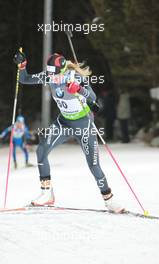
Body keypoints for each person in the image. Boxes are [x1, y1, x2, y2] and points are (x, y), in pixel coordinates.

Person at [13, 51, 124, 213]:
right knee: (41, 150)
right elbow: (25, 79)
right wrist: (22, 66)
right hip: (64, 122)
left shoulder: (75, 77)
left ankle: (110, 200)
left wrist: (79, 89)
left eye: (55, 75)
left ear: (63, 70)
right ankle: (47, 194)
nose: (52, 79)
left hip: (83, 124)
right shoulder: (49, 75)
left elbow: (94, 100)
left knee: (93, 165)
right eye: (50, 75)